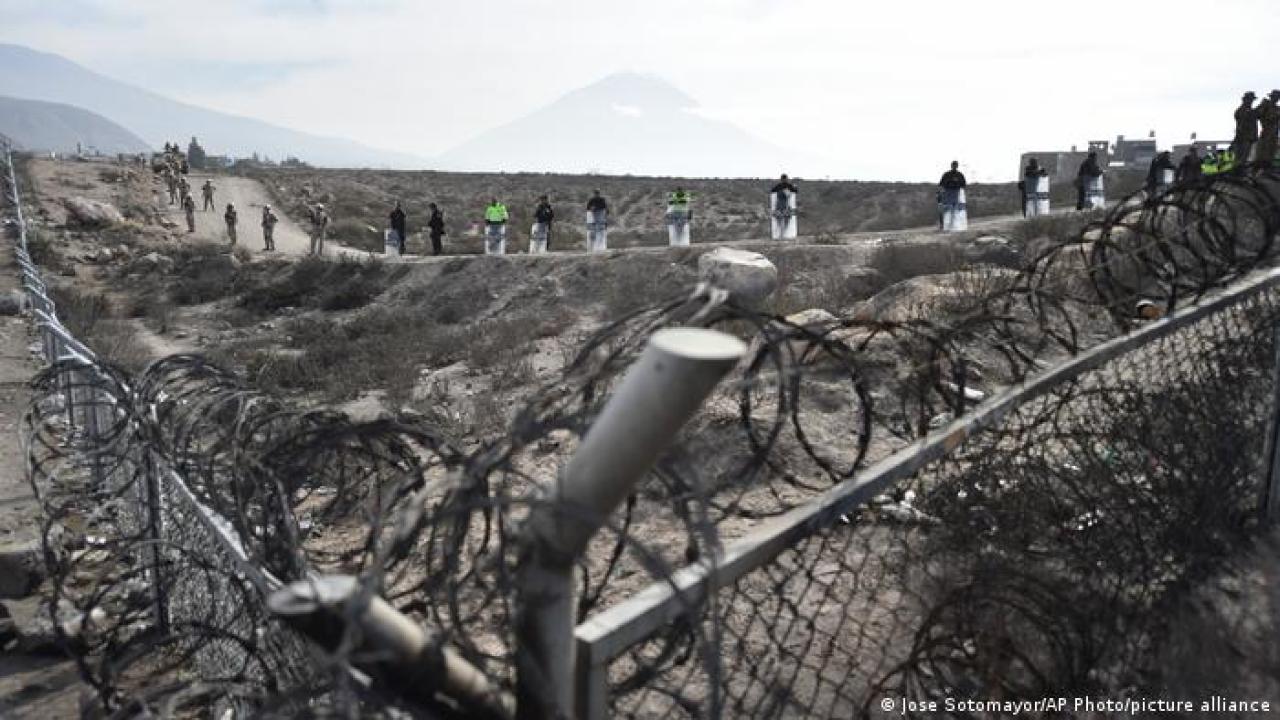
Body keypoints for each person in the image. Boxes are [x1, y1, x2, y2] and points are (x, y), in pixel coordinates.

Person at [938, 161, 966, 228]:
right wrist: (940, 193)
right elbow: (941, 184)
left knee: (954, 210)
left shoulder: (960, 175)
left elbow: (964, 185)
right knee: (945, 209)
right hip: (947, 193)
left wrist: (957, 184)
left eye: (955, 165)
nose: (954, 166)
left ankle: (952, 223)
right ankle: (943, 224)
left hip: (956, 193)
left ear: (957, 166)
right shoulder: (947, 174)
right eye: (953, 165)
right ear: (951, 166)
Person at [1233, 92, 1259, 163]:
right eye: (1250, 99)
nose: (1251, 102)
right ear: (1245, 100)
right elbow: (1241, 125)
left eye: (1252, 100)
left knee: (1245, 157)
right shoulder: (1242, 110)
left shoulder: (1250, 110)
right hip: (1243, 138)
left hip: (1249, 138)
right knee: (1241, 157)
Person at [1257, 90, 1280, 167]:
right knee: (1264, 150)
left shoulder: (1277, 108)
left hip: (1274, 132)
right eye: (1275, 97)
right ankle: (1262, 165)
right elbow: (1258, 114)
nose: (1277, 99)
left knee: (1272, 149)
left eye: (1278, 97)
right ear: (1272, 97)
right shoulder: (1265, 105)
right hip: (1267, 131)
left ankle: (1268, 164)